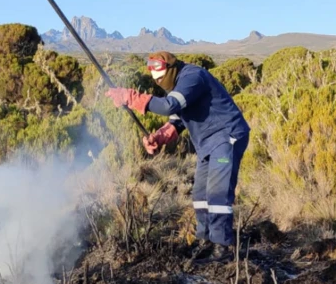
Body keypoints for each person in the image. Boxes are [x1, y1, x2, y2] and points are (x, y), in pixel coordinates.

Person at [105, 51, 250, 263]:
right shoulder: (179, 86)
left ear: (170, 69)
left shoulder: (192, 77)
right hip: (207, 143)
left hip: (227, 136)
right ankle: (205, 240)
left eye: (161, 77)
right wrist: (160, 136)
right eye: (155, 79)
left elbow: (169, 106)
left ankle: (222, 246)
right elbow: (177, 120)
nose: (159, 82)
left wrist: (132, 97)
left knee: (217, 194)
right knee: (200, 194)